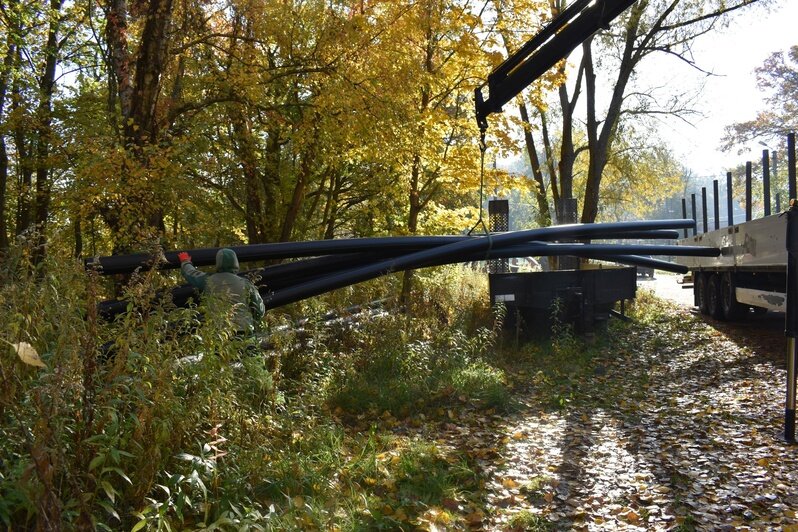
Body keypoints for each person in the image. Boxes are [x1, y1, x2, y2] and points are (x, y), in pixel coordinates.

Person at [177, 248, 265, 336]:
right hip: (244, 331)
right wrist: (253, 321)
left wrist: (185, 261)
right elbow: (259, 309)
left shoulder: (208, 280)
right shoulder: (246, 284)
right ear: (236, 263)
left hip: (219, 333)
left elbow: (191, 273)